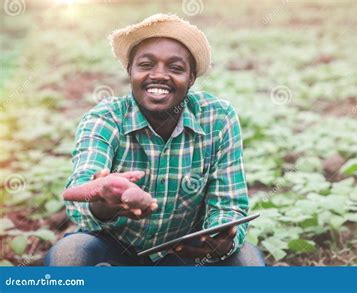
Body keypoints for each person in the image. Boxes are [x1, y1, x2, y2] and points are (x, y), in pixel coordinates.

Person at [45, 13, 265, 266]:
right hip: (115, 250)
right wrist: (104, 200)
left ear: (191, 78)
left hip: (185, 253)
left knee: (246, 260)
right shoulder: (105, 119)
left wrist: (220, 238)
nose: (159, 75)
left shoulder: (219, 118)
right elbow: (82, 190)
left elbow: (228, 205)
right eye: (146, 65)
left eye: (176, 68)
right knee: (70, 253)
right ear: (130, 71)